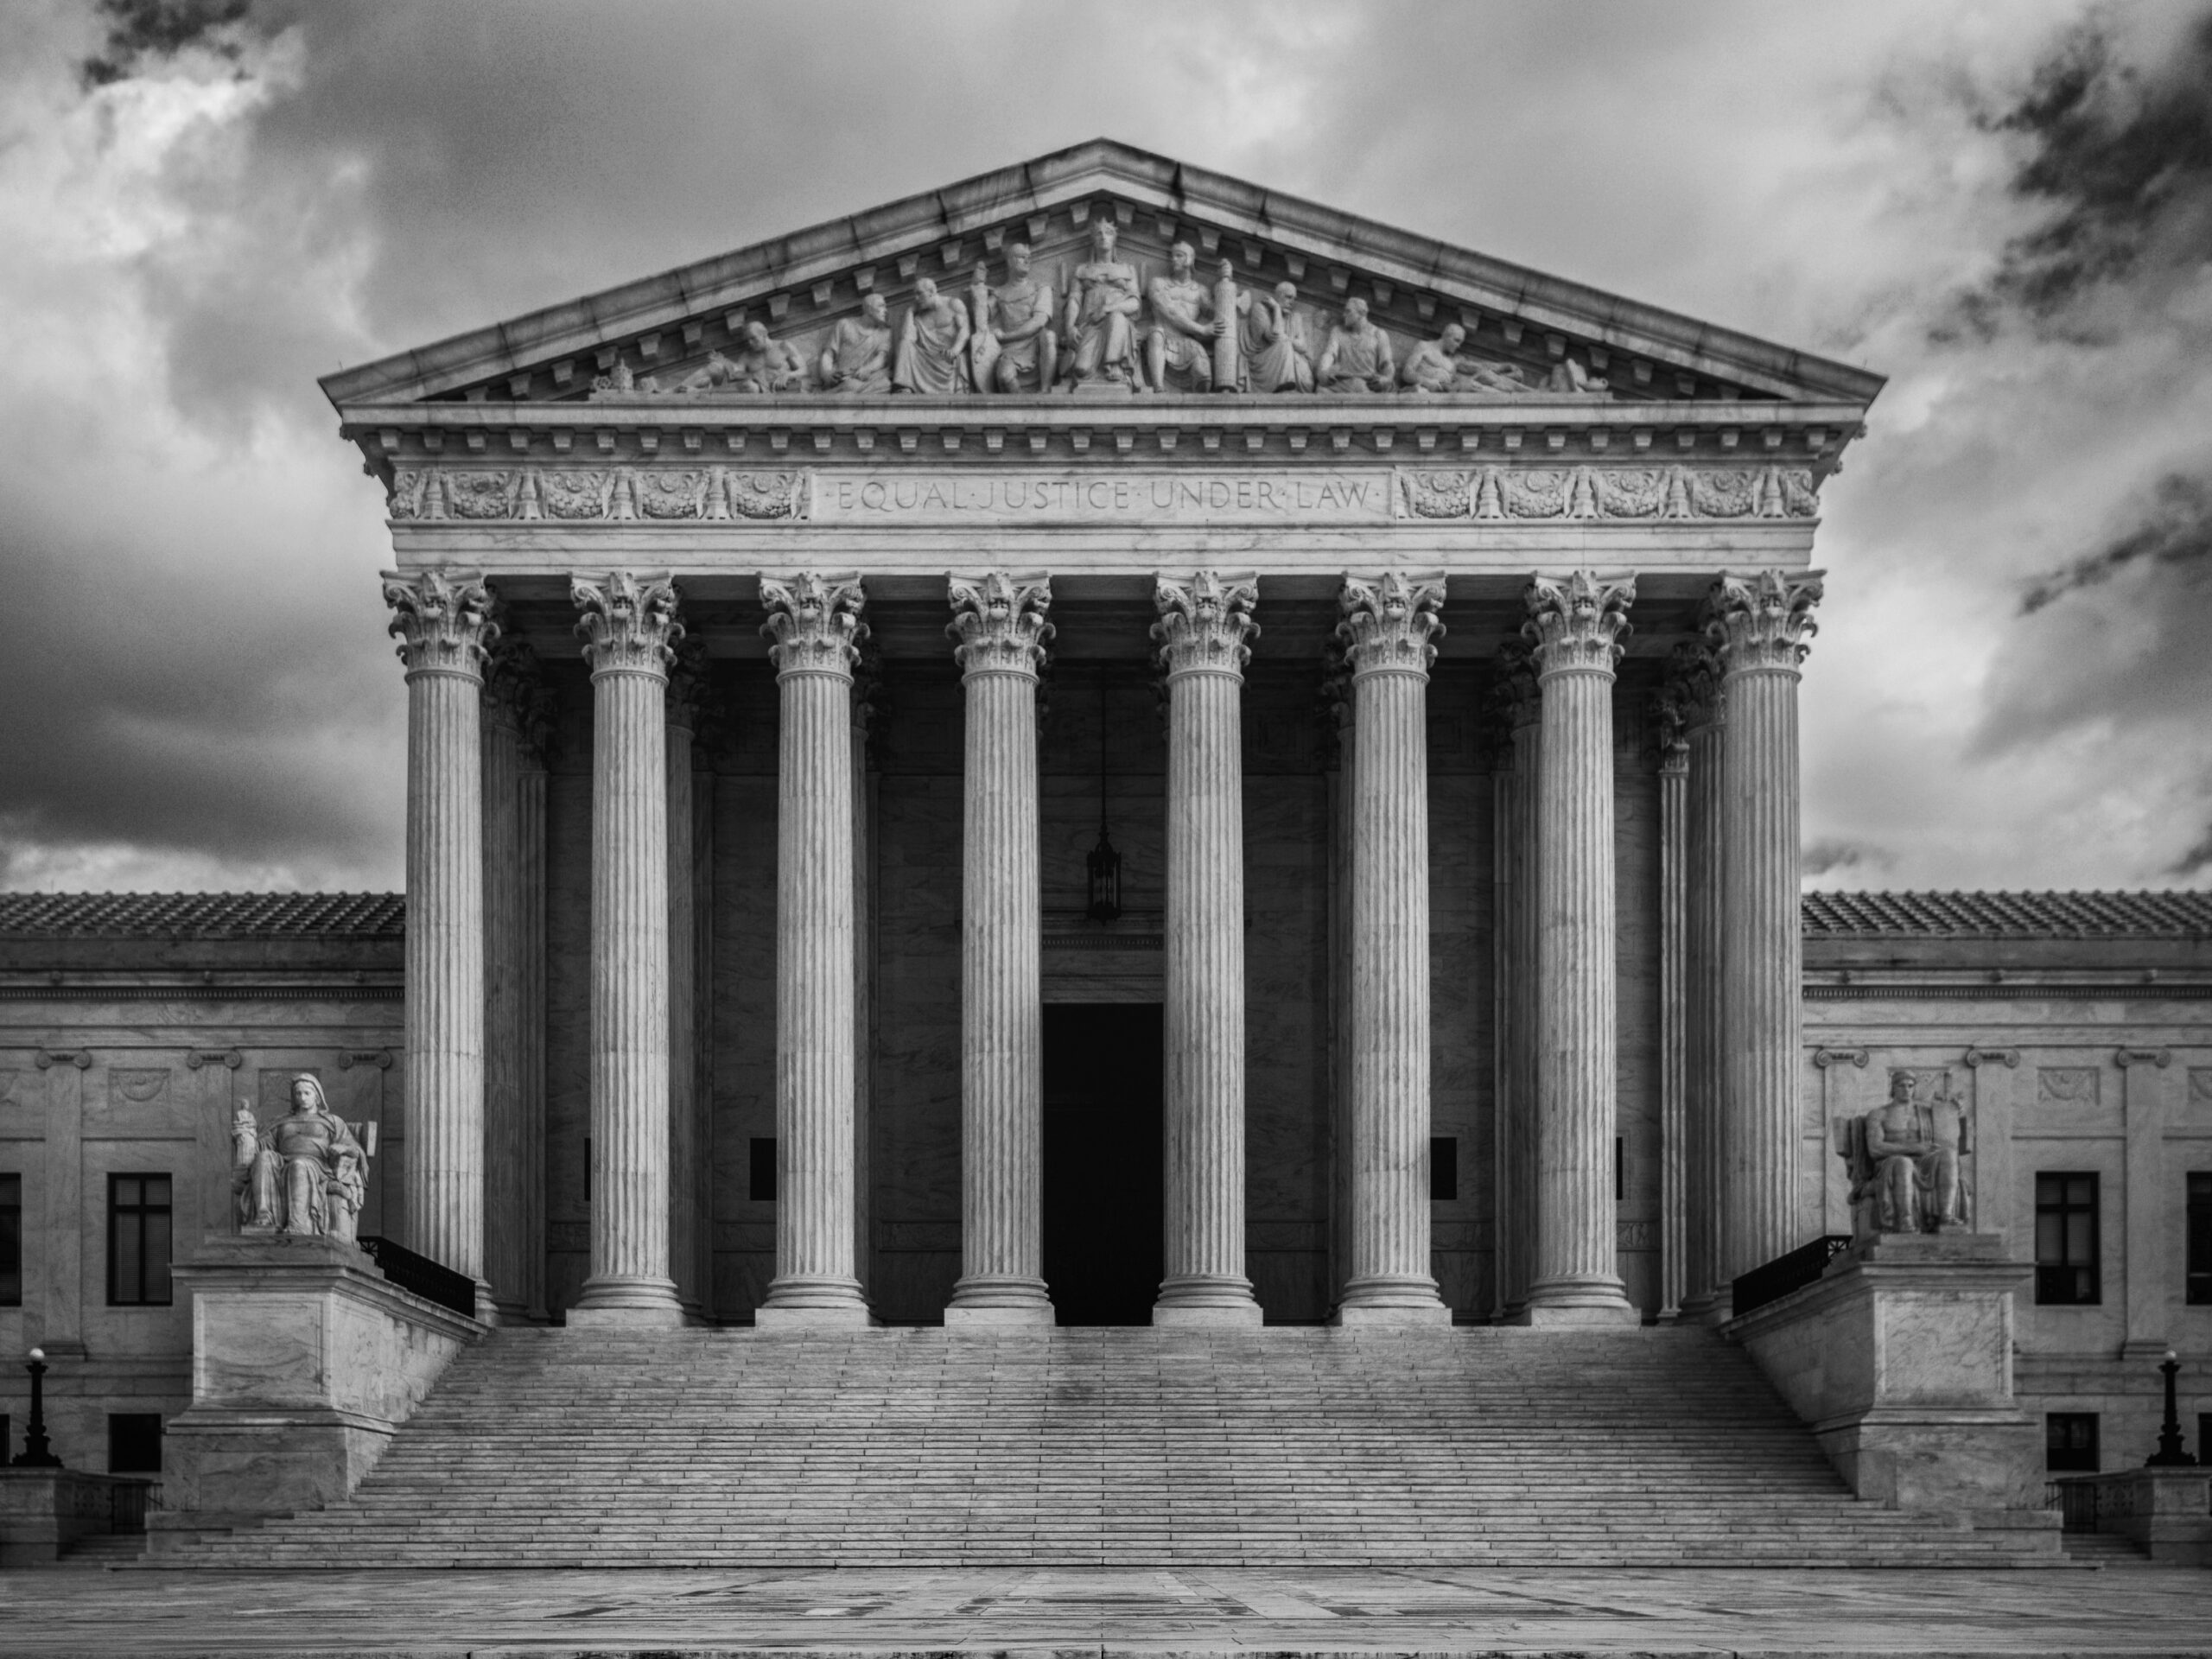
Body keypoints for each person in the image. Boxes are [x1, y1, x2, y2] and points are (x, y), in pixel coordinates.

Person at [240, 1075, 372, 1239]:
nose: (302, 1097)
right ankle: (264, 1216)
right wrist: (246, 1135)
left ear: (317, 1096)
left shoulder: (332, 1122)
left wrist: (342, 1147)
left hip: (319, 1167)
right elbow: (263, 1146)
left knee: (298, 1165)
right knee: (264, 1158)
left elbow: (355, 1149)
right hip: (282, 1161)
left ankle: (299, 1223)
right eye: (298, 1094)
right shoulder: (281, 1122)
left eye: (307, 1093)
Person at [1062, 218, 1143, 389]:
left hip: (1118, 325)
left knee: (1117, 317)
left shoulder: (1127, 270)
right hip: (1090, 323)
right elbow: (1074, 300)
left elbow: (1135, 303)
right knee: (1082, 369)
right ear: (1093, 239)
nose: (1103, 237)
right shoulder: (1082, 270)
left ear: (1115, 239)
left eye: (1108, 233)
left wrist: (1107, 309)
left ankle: (1114, 364)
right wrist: (1070, 327)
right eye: (1099, 233)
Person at [969, 244, 1058, 393]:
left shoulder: (1041, 287)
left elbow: (1040, 321)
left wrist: (1006, 336)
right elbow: (980, 317)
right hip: (1011, 350)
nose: (1027, 261)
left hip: (1035, 344)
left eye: (1029, 258)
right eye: (1022, 257)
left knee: (1049, 336)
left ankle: (1045, 391)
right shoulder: (1000, 293)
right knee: (1004, 376)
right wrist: (977, 285)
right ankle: (1023, 408)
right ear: (1010, 261)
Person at [1145, 241, 1226, 392]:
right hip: (1163, 338)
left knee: (1204, 378)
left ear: (1190, 259)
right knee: (1156, 333)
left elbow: (1218, 313)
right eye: (1173, 256)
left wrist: (1227, 285)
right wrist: (1202, 329)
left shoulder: (1200, 291)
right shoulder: (1158, 284)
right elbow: (1171, 313)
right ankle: (1158, 388)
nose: (1173, 260)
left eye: (1179, 256)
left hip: (1187, 342)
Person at [1399, 323, 1533, 396]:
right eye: (1456, 340)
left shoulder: (1453, 361)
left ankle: (1526, 394)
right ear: (1446, 335)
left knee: (1488, 377)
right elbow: (1407, 372)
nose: (1458, 346)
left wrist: (1506, 366)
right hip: (1431, 390)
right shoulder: (1424, 346)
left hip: (1450, 389)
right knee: (1475, 387)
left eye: (1460, 343)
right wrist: (1427, 382)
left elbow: (1480, 366)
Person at [892, 276, 971, 394]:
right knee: (905, 344)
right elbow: (907, 339)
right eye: (915, 295)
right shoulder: (919, 317)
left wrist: (955, 350)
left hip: (948, 358)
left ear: (932, 292)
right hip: (926, 360)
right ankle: (905, 388)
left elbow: (965, 330)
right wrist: (910, 312)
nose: (916, 298)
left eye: (919, 294)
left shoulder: (952, 304)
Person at [1240, 282, 1313, 393]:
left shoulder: (1295, 317)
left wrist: (1287, 339)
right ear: (1278, 296)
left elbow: (1303, 346)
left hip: (1285, 357)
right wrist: (1277, 309)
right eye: (1288, 297)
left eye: (1294, 299)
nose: (1292, 302)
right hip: (1262, 361)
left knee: (1305, 373)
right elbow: (1276, 336)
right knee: (1285, 345)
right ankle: (1285, 387)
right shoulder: (1259, 309)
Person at [817, 292, 893, 395]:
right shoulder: (844, 325)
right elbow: (828, 354)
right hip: (845, 378)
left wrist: (867, 369)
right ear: (869, 309)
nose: (886, 311)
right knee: (851, 385)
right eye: (881, 306)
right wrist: (827, 374)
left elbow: (881, 358)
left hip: (869, 379)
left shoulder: (884, 332)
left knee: (886, 384)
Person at [1315, 296, 1395, 394]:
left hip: (1368, 385)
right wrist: (1322, 371)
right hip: (1341, 384)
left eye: (1348, 311)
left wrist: (1387, 379)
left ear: (1361, 314)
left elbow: (1386, 363)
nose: (1344, 315)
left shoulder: (1379, 334)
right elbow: (1329, 354)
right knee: (1321, 391)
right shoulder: (1338, 331)